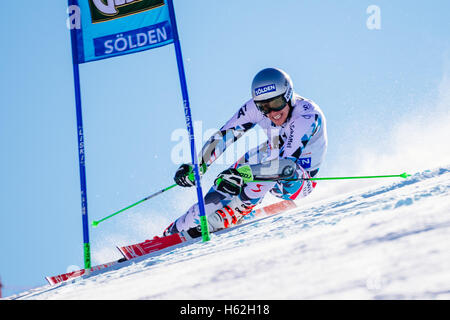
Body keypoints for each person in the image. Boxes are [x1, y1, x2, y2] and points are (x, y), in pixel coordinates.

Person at [164, 67, 327, 238]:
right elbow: (225, 135)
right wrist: (199, 165)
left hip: (299, 180)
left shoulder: (307, 115)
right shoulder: (255, 108)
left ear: (288, 95)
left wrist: (243, 175)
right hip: (268, 163)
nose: (272, 113)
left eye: (277, 104)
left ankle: (234, 211)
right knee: (228, 180)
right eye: (264, 107)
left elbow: (286, 167)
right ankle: (179, 228)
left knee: (268, 159)